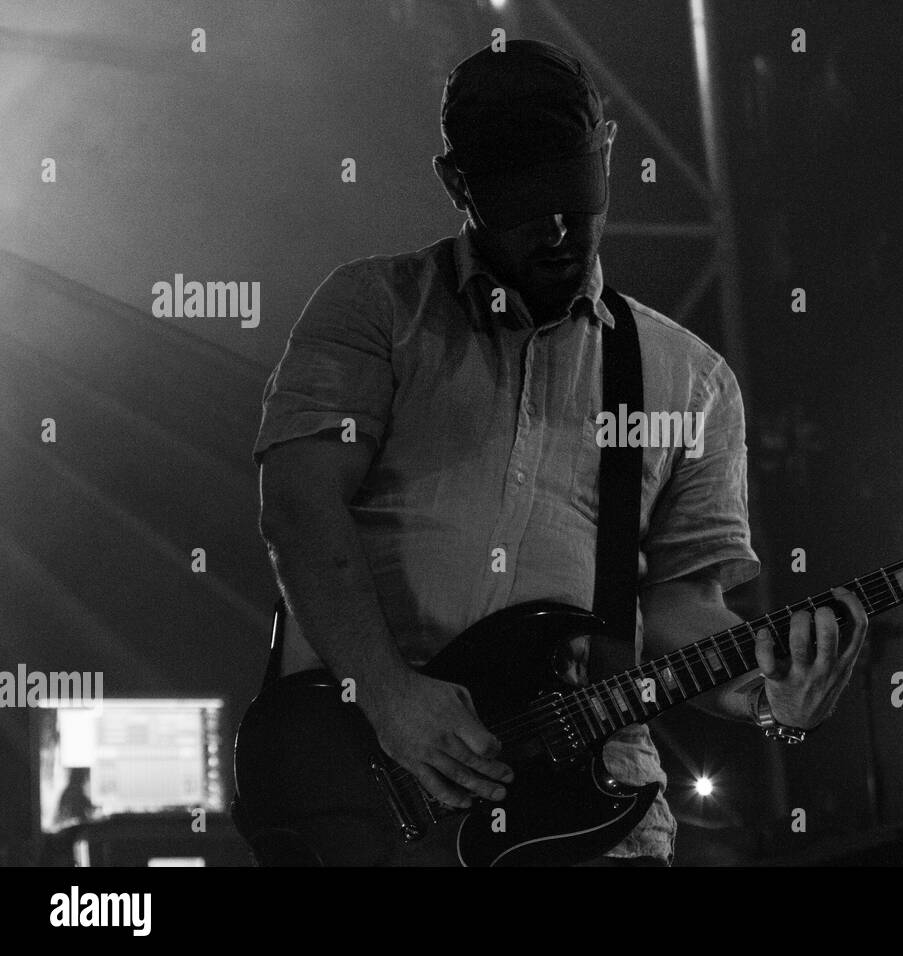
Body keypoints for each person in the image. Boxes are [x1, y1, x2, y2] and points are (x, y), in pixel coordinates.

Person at [253, 38, 867, 866]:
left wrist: (770, 694)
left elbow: (679, 605)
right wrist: (390, 697)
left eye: (577, 200)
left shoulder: (690, 380)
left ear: (608, 154)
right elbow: (300, 506)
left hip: (591, 805)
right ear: (457, 184)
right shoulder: (373, 310)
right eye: (523, 206)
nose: (555, 232)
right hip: (370, 777)